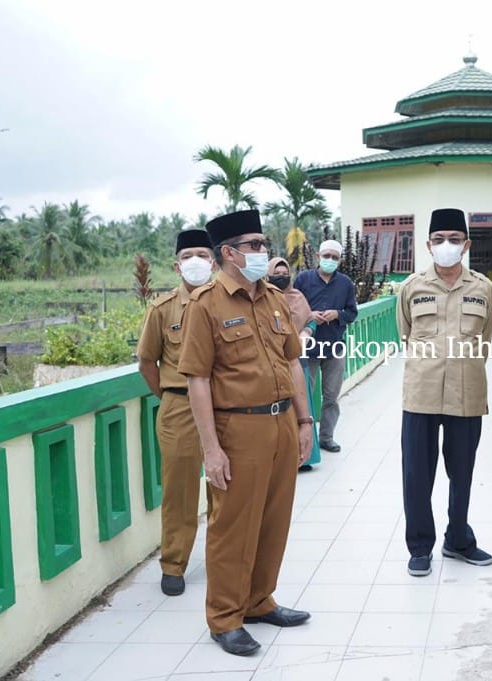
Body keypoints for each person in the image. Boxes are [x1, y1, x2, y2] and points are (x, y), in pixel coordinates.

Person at [177, 209, 314, 657]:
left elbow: (292, 361)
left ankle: (259, 600)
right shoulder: (206, 304)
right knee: (232, 526)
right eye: (254, 245)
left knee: (275, 520)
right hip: (237, 428)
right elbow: (196, 379)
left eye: (263, 243)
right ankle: (224, 617)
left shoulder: (273, 300)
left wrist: (305, 421)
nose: (263, 251)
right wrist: (211, 449)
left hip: (280, 425)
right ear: (229, 253)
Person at [397, 207, 492, 577]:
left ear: (466, 244)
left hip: (466, 393)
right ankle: (420, 547)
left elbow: (485, 340)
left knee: (463, 472)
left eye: (454, 239)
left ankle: (458, 540)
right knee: (417, 475)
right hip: (420, 393)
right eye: (439, 240)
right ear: (428, 245)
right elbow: (404, 335)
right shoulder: (411, 287)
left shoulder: (483, 287)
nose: (446, 246)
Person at [136, 229, 216, 597]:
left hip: (224, 405)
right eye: (189, 255)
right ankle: (174, 564)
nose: (196, 260)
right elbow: (147, 361)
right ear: (177, 263)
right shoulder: (161, 309)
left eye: (203, 253)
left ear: (215, 261)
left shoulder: (226, 304)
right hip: (179, 405)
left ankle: (223, 559)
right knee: (179, 489)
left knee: (226, 487)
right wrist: (170, 393)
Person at [293, 239, 358, 452]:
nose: (330, 260)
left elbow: (352, 313)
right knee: (305, 395)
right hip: (307, 348)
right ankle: (303, 441)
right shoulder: (303, 279)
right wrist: (309, 315)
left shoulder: (345, 283)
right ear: (318, 257)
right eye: (326, 256)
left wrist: (337, 314)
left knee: (331, 396)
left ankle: (326, 437)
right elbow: (290, 307)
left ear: (340, 260)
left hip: (334, 347)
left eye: (334, 257)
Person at [267, 256, 321, 471]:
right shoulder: (263, 299)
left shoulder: (298, 297)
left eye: (284, 274)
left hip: (298, 359)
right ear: (267, 275)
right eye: (276, 274)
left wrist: (307, 332)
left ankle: (305, 456)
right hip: (274, 364)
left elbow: (310, 319)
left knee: (303, 407)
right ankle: (285, 458)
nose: (280, 278)